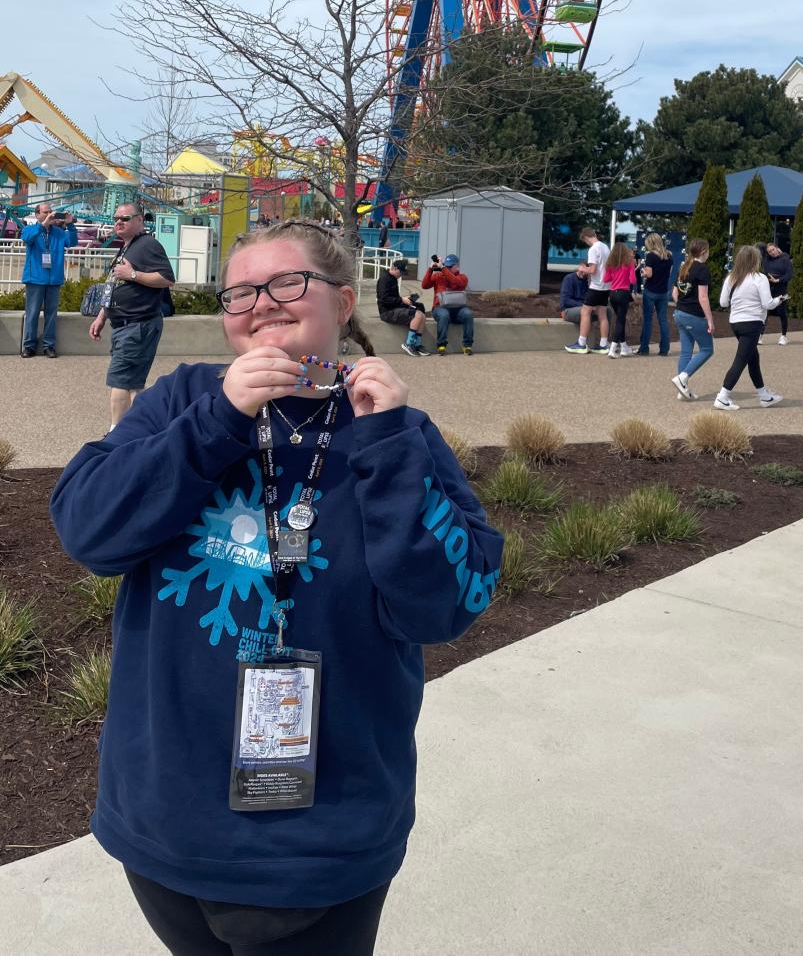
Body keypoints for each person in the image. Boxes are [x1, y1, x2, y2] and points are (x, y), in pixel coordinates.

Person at [51, 217, 503, 956]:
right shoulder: (183, 401)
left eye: (286, 282)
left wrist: (389, 449)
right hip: (167, 818)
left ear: (343, 299)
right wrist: (219, 419)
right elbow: (87, 528)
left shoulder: (394, 430)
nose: (260, 302)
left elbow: (448, 602)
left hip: (325, 837)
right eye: (240, 292)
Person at [88, 204, 176, 430]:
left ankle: (116, 433)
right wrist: (101, 317)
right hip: (123, 325)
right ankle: (138, 430)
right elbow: (114, 284)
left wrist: (133, 274)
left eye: (124, 218)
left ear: (139, 221)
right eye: (116, 218)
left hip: (138, 324)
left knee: (119, 380)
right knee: (134, 383)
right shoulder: (127, 247)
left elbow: (167, 278)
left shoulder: (148, 245)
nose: (118, 222)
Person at [714, 245, 784, 411]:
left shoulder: (731, 277)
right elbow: (767, 304)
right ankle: (723, 396)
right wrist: (779, 300)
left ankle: (764, 396)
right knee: (741, 361)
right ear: (755, 260)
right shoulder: (759, 278)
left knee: (753, 358)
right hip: (752, 323)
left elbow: (723, 302)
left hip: (735, 323)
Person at [20, 203, 78, 358]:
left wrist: (70, 224)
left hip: (54, 279)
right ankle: (29, 346)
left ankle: (49, 346)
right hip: (35, 279)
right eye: (46, 212)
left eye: (51, 212)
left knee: (51, 315)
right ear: (37, 215)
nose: (50, 214)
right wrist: (43, 226)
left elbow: (72, 242)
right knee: (31, 314)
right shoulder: (30, 229)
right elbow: (27, 239)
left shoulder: (59, 233)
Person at [671, 238, 714, 400]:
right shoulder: (702, 269)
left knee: (686, 353)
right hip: (694, 316)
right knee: (707, 350)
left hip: (679, 314)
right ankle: (682, 379)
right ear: (704, 252)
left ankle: (682, 389)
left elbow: (674, 293)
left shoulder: (684, 267)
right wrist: (710, 320)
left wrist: (682, 306)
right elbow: (703, 298)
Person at [565, 226, 610, 354]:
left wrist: (581, 268)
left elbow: (592, 270)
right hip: (606, 286)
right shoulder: (605, 247)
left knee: (585, 312)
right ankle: (603, 344)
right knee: (603, 314)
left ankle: (581, 343)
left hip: (596, 286)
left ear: (585, 237)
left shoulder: (593, 249)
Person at [421, 253, 475, 355]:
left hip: (459, 309)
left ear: (457, 266)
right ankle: (441, 344)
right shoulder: (439, 276)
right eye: (447, 266)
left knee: (468, 314)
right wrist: (430, 269)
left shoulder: (462, 277)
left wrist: (443, 268)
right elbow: (424, 285)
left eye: (450, 266)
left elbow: (454, 280)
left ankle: (467, 345)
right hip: (440, 308)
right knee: (444, 314)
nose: (448, 268)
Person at [376, 258, 429, 357]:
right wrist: (401, 300)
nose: (402, 275)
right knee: (417, 315)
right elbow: (384, 299)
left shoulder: (393, 279)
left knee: (421, 314)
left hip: (395, 308)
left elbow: (394, 298)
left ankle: (417, 345)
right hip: (387, 312)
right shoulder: (384, 279)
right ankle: (409, 344)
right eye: (401, 272)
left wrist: (406, 300)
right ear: (395, 268)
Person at [638, 233, 673, 356]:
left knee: (648, 320)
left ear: (651, 243)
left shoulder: (651, 256)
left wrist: (643, 272)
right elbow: (669, 273)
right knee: (663, 320)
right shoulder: (669, 255)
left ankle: (644, 348)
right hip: (663, 291)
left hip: (651, 290)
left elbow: (649, 274)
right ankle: (664, 349)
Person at [602, 241, 637, 358]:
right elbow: (633, 280)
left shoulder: (610, 264)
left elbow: (606, 279)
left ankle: (624, 347)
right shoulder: (629, 263)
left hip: (612, 294)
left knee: (619, 320)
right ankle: (612, 349)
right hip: (623, 293)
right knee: (620, 321)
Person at [759, 242, 793, 346]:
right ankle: (760, 335)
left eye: (773, 250)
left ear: (777, 248)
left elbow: (789, 274)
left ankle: (783, 336)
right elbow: (760, 247)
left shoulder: (785, 259)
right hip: (769, 288)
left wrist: (778, 280)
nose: (772, 252)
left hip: (781, 288)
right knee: (765, 312)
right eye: (769, 251)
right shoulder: (766, 260)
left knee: (782, 312)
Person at [559, 262, 600, 347]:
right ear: (581, 268)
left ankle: (604, 342)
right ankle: (582, 343)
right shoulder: (569, 279)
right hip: (568, 311)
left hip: (585, 309)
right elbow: (566, 301)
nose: (586, 273)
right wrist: (585, 305)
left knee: (607, 311)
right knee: (587, 310)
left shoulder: (588, 281)